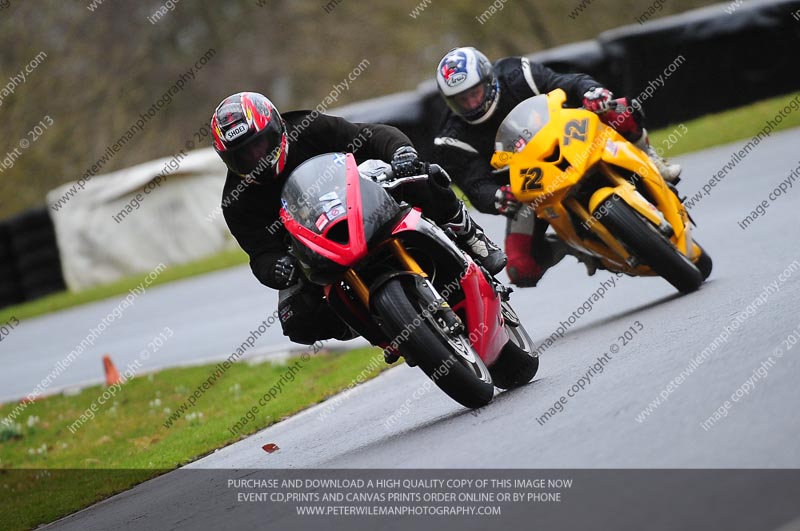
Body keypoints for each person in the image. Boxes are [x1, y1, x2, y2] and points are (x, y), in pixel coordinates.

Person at [210, 91, 505, 345]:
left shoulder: (309, 127)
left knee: (424, 176)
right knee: (296, 319)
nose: (255, 159)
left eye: (259, 146)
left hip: (364, 203)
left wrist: (400, 153)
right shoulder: (235, 200)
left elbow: (371, 135)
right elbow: (259, 253)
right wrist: (275, 267)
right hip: (312, 250)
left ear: (278, 128)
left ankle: (471, 236)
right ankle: (371, 321)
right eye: (243, 156)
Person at [433, 47, 681, 287]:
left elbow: (568, 82)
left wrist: (591, 91)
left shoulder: (518, 73)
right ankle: (570, 245)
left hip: (570, 141)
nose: (471, 103)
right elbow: (474, 185)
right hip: (532, 188)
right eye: (461, 100)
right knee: (520, 268)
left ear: (489, 80)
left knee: (619, 108)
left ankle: (652, 158)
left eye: (474, 92)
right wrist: (496, 197)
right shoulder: (451, 139)